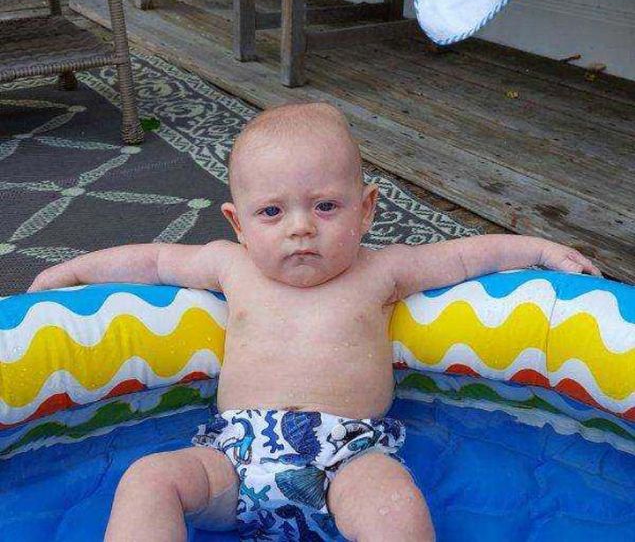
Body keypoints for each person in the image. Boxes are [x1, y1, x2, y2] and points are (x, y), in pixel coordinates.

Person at [28, 102, 601, 541]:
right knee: (149, 479)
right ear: (238, 223)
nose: (300, 227)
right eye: (272, 211)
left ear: (366, 209)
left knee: (396, 506)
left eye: (325, 206)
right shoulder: (231, 266)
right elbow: (153, 261)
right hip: (233, 459)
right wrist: (73, 271)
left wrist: (540, 250)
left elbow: (465, 257)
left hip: (347, 461)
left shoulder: (382, 271)